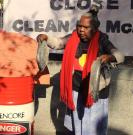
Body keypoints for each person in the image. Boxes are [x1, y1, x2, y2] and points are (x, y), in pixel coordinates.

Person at [37, 5, 124, 135]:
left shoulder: (102, 40)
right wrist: (46, 38)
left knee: (93, 128)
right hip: (76, 89)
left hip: (95, 93)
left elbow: (120, 56)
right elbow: (58, 43)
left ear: (94, 29)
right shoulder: (73, 37)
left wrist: (109, 57)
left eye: (86, 27)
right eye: (79, 26)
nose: (81, 30)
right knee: (77, 125)